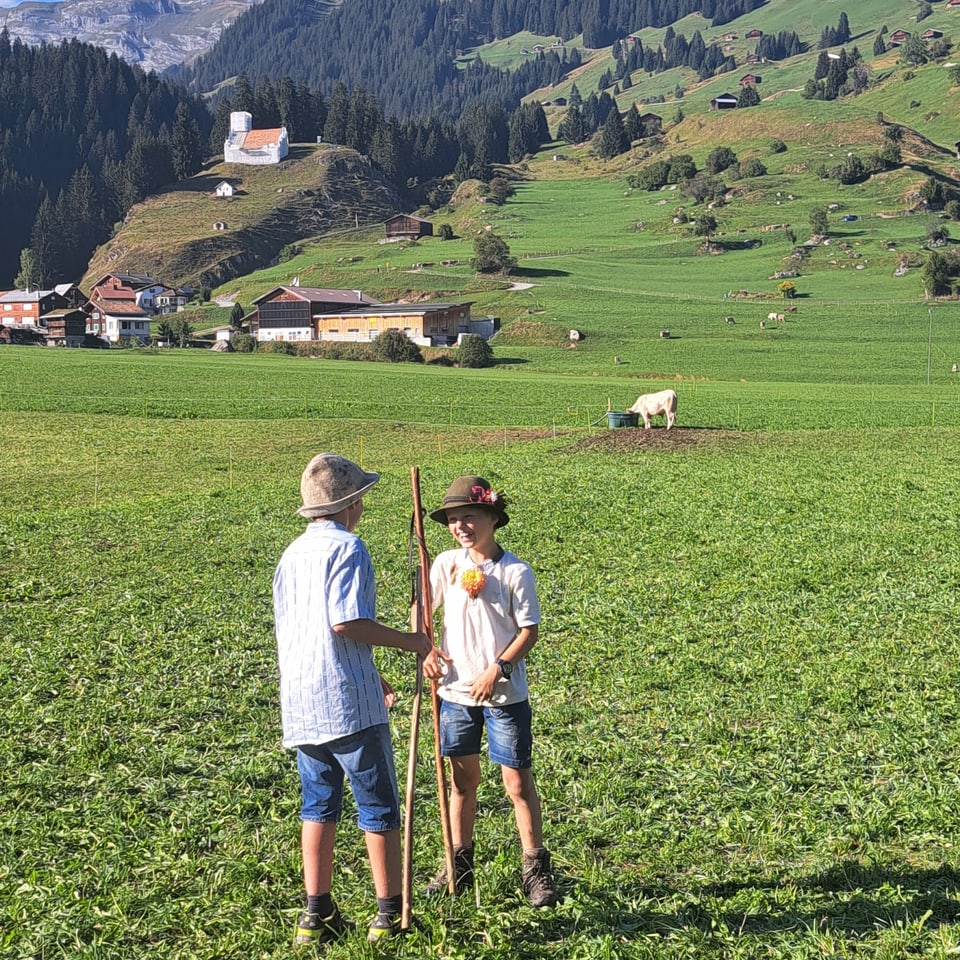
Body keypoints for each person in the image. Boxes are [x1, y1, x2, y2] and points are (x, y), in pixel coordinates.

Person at [273, 453, 432, 946]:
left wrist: (373, 670)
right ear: (350, 504)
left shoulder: (290, 555)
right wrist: (411, 641)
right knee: (379, 807)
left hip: (303, 703)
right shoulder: (348, 547)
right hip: (347, 705)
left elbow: (317, 633)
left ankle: (314, 917)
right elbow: (345, 622)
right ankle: (389, 916)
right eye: (360, 497)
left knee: (317, 807)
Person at [422, 475, 558, 908]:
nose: (460, 526)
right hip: (455, 693)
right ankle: (456, 865)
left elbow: (528, 631)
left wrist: (497, 669)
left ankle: (536, 870)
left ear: (493, 519)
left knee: (517, 783)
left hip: (504, 697)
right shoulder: (445, 564)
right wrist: (424, 646)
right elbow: (421, 609)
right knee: (462, 783)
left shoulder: (516, 571)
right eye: (453, 519)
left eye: (469, 516)